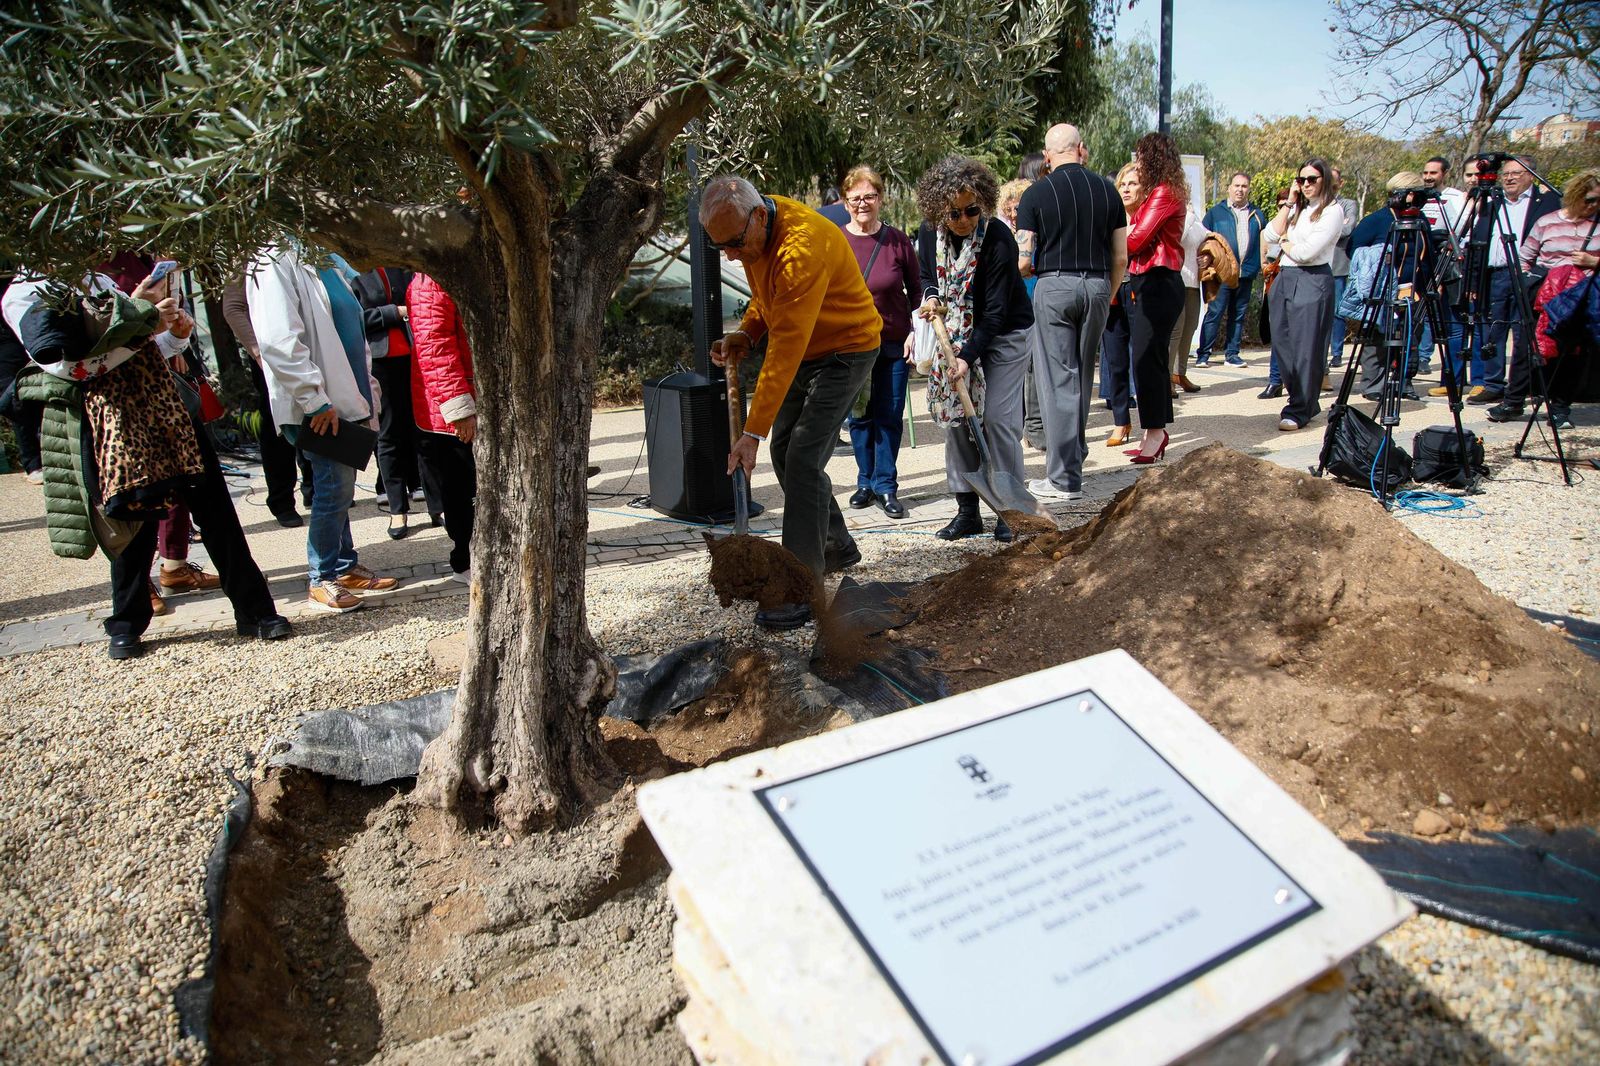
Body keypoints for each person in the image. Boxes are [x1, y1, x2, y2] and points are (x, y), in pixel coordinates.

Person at [4, 266, 290, 659]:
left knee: (217, 514)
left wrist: (173, 335)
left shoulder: (98, 281)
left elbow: (146, 351)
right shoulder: (25, 293)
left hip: (169, 411)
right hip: (111, 424)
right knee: (131, 526)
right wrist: (143, 320)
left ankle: (256, 612)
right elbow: (71, 369)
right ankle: (126, 624)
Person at [702, 176, 880, 630]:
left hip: (846, 350)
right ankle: (835, 545)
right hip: (809, 349)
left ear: (758, 216)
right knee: (787, 452)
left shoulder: (802, 246)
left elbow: (784, 350)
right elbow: (767, 300)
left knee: (800, 458)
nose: (731, 256)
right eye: (720, 248)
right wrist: (746, 332)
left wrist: (750, 432)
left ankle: (800, 585)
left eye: (734, 245)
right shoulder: (753, 231)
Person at [247, 242, 401, 614]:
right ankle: (322, 577)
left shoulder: (322, 256)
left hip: (344, 396)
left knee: (341, 484)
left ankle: (344, 567)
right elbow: (278, 338)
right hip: (321, 402)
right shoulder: (272, 257)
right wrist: (313, 397)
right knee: (333, 489)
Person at [914, 155, 1034, 538]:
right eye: (954, 213)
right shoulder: (930, 234)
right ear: (938, 210)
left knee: (997, 420)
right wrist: (931, 297)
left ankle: (1010, 509)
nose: (964, 220)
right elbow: (926, 276)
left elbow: (996, 313)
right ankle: (968, 510)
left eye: (971, 210)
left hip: (1005, 335)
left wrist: (967, 358)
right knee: (958, 419)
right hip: (955, 334)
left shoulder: (997, 238)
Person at [1015, 122, 1128, 498]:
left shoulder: (1035, 195)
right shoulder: (1108, 191)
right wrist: (1108, 294)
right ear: (1081, 148)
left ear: (1047, 156)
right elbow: (1121, 256)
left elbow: (1025, 260)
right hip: (1097, 285)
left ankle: (1063, 479)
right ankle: (1073, 460)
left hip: (1055, 285)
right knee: (1081, 378)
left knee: (1056, 381)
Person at [836, 165, 920, 520]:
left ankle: (886, 486)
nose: (862, 203)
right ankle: (864, 482)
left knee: (889, 415)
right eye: (855, 198)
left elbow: (917, 290)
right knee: (859, 416)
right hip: (853, 345)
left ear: (880, 198)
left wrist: (917, 331)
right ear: (845, 202)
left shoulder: (897, 240)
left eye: (869, 196)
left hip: (893, 343)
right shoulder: (836, 240)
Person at [1495, 167, 1600, 427]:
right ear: (1576, 196)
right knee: (1526, 347)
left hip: (1581, 298)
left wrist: (1593, 262)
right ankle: (1514, 400)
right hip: (1544, 295)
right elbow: (1524, 257)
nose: (1593, 205)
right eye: (1589, 199)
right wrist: (1528, 284)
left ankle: (1559, 409)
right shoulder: (1548, 221)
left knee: (1570, 352)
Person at [1456, 155, 1561, 407]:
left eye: (1516, 173)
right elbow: (1477, 242)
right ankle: (1494, 384)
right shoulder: (1493, 202)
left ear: (1531, 176)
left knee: (1525, 332)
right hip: (1493, 275)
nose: (1510, 178)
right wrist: (1472, 281)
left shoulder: (1546, 202)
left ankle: (1524, 387)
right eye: (1506, 174)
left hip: (1528, 275)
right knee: (1492, 330)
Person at [1118, 132, 1187, 463]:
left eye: (1142, 157)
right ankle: (1153, 432)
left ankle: (1156, 432)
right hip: (1150, 281)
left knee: (1147, 359)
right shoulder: (1159, 193)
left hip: (1159, 281)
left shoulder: (1164, 193)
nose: (1138, 163)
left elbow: (1135, 239)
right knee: (1149, 360)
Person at [1263, 158, 1345, 431]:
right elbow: (1269, 233)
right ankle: (1305, 400)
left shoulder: (1332, 211)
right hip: (1285, 277)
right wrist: (1289, 204)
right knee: (1283, 344)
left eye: (1312, 179)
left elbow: (1305, 253)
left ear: (1324, 180)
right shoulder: (1296, 209)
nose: (1306, 184)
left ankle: (1300, 407)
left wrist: (1286, 241)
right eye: (1301, 179)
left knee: (1307, 348)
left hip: (1312, 278)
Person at [406, 273, 478, 582]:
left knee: (471, 486)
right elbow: (434, 348)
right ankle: (464, 560)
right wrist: (458, 409)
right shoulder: (429, 281)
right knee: (461, 488)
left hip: (469, 397)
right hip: (450, 410)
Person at [222, 277, 308, 526]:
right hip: (270, 354)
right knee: (277, 425)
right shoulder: (246, 253)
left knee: (314, 414)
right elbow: (233, 308)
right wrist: (257, 351)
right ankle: (281, 501)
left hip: (302, 345)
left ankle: (314, 489)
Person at [350, 266, 427, 539]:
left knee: (422, 432)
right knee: (388, 436)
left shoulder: (400, 267)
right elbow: (353, 319)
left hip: (413, 356)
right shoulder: (350, 272)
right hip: (379, 363)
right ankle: (397, 508)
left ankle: (435, 504)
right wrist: (394, 313)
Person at [1197, 173, 1264, 368]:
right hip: (1222, 273)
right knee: (1215, 313)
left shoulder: (1257, 215)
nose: (1240, 190)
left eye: (1244, 186)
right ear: (1229, 188)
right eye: (1236, 185)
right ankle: (1204, 354)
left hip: (1247, 273)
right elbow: (1204, 239)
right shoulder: (1216, 213)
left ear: (1248, 188)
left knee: (1238, 314)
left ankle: (1232, 354)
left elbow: (1264, 241)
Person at [1098, 163, 1144, 448]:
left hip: (1140, 290)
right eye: (1123, 184)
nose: (1126, 188)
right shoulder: (1110, 218)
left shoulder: (1149, 217)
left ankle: (1152, 425)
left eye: (1133, 183)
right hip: (1113, 293)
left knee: (1143, 360)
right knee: (1114, 360)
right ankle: (1120, 421)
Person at [1169, 203, 1210, 395]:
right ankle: (1166, 377)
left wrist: (1208, 257)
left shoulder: (1195, 219)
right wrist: (1189, 214)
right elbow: (1178, 236)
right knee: (1175, 331)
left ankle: (1180, 373)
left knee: (1190, 327)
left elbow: (1207, 238)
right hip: (1176, 278)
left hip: (1194, 281)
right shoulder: (1180, 216)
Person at [1326, 167, 1359, 372]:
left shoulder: (1348, 204)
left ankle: (1336, 353)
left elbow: (1348, 229)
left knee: (1337, 311)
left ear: (1341, 183)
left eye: (1334, 180)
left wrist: (1324, 230)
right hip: (1315, 266)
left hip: (1338, 266)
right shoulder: (1315, 204)